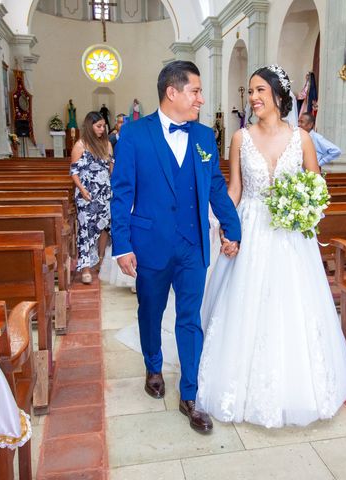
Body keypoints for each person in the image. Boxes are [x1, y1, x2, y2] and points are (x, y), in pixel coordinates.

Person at [196, 65, 346, 428]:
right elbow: (234, 190)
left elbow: (316, 186)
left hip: (289, 235)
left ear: (278, 97)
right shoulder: (240, 138)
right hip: (250, 226)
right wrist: (224, 229)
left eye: (260, 91)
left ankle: (299, 388)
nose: (253, 98)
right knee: (243, 302)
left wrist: (303, 209)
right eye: (251, 91)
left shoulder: (301, 139)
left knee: (292, 307)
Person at [111, 60, 241, 433]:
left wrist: (232, 228)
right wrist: (122, 245)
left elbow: (215, 185)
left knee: (190, 319)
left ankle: (190, 395)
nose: (201, 98)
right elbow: (121, 194)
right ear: (173, 92)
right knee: (150, 313)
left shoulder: (202, 138)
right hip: (149, 244)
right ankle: (153, 365)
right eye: (195, 91)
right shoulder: (134, 134)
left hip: (193, 246)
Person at [70, 112, 113, 284]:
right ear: (90, 126)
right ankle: (86, 267)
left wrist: (111, 190)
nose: (102, 129)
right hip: (86, 195)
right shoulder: (80, 145)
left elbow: (111, 169)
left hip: (104, 193)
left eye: (103, 126)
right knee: (86, 230)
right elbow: (74, 172)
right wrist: (82, 190)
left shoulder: (107, 145)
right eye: (99, 126)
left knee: (104, 227)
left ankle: (101, 261)